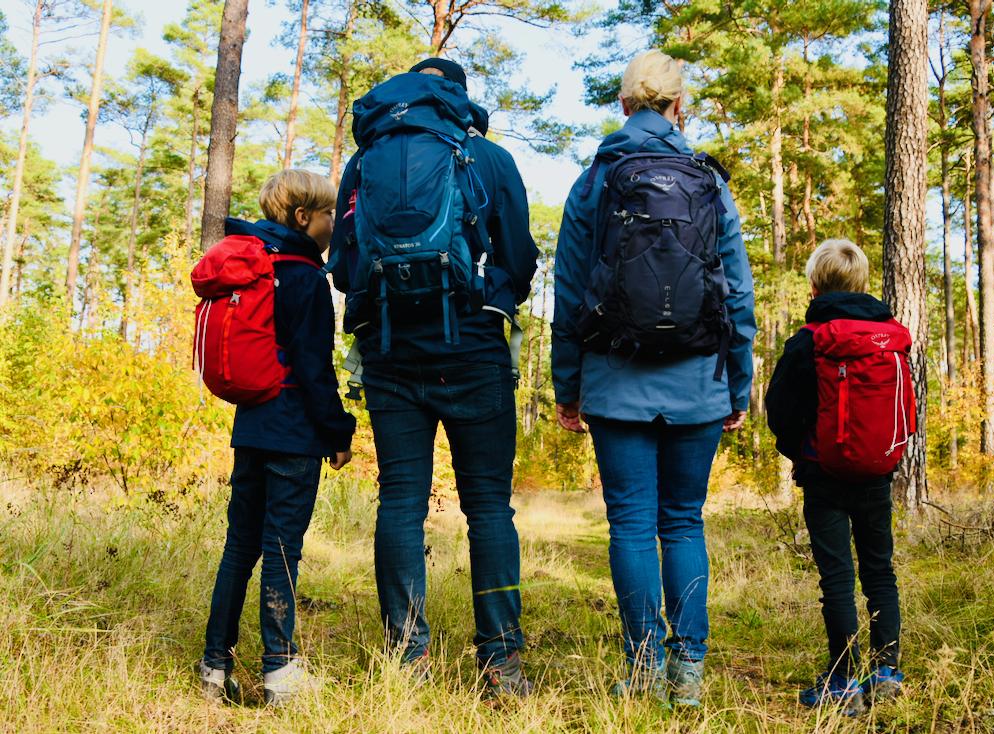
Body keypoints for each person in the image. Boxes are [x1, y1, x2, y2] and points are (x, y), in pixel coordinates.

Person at [551, 49, 756, 706]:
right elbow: (739, 295)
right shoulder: (708, 180)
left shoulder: (595, 180)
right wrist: (739, 385)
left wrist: (568, 386)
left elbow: (567, 289)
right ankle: (688, 672)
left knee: (632, 524)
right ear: (679, 105)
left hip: (615, 378)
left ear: (623, 106)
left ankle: (642, 667)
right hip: (699, 379)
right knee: (684, 522)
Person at [329, 58, 538, 697]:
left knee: (400, 503)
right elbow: (522, 257)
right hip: (473, 349)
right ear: (459, 99)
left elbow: (342, 266)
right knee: (488, 508)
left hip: (392, 354)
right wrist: (489, 297)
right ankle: (501, 663)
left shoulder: (363, 165)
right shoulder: (489, 159)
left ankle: (408, 657)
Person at [197, 170, 356, 705]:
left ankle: (214, 664)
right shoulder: (307, 279)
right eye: (330, 214)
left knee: (239, 546)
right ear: (303, 218)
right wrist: (338, 431)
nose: (334, 223)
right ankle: (279, 671)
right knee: (283, 551)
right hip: (294, 434)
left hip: (251, 428)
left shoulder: (257, 271)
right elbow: (314, 369)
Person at [765, 239, 907, 716]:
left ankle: (844, 680)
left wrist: (803, 453)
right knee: (880, 569)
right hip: (876, 471)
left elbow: (780, 410)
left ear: (813, 284)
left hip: (823, 476)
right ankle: (887, 671)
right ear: (863, 282)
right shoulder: (890, 338)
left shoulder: (809, 339)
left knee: (838, 577)